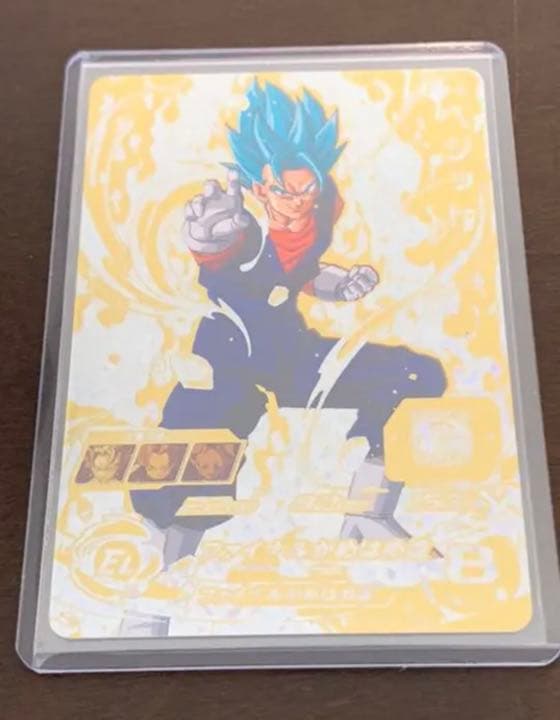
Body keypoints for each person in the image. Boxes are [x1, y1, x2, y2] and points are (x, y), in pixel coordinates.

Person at [130, 80, 446, 564]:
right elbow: (227, 259)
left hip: (290, 354)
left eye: (306, 189)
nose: (297, 201)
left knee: (412, 376)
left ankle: (368, 513)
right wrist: (209, 242)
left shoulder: (319, 211)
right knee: (190, 461)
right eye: (283, 191)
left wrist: (339, 284)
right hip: (230, 360)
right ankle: (163, 558)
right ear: (260, 188)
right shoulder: (241, 227)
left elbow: (300, 272)